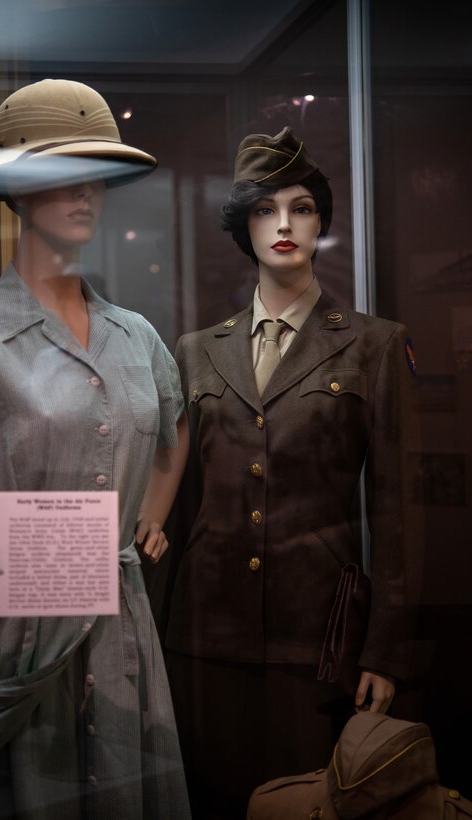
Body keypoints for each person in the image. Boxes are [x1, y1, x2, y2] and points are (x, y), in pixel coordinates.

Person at [0, 79, 190, 819]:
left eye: (93, 178)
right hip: (6, 634)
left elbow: (174, 423)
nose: (84, 196)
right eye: (59, 177)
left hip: (118, 632)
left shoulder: (136, 335)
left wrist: (151, 514)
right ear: (16, 191)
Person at [164, 126, 422, 819]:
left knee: (306, 804)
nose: (282, 224)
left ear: (320, 222)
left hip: (317, 637)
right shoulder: (194, 352)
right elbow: (172, 503)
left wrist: (386, 651)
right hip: (202, 634)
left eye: (301, 207)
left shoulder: (372, 345)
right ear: (241, 226)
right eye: (262, 209)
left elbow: (397, 509)